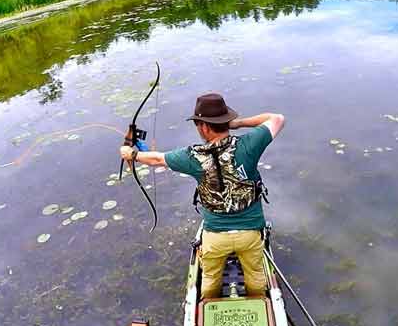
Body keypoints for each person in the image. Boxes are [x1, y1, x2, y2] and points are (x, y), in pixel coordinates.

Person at [120, 92, 285, 299]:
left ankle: (208, 307)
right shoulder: (249, 144)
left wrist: (132, 154)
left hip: (215, 237)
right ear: (225, 121)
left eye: (198, 123)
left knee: (210, 278)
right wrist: (238, 124)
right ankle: (258, 304)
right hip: (250, 234)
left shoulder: (192, 156)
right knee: (255, 275)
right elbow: (277, 118)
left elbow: (156, 159)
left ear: (204, 127)